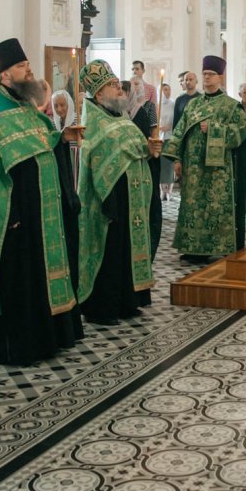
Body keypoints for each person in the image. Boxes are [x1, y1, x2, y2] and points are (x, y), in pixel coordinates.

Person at [0, 38, 82, 366]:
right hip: (17, 218)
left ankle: (53, 336)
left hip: (45, 214)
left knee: (45, 276)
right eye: (23, 67)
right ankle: (22, 346)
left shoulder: (27, 109)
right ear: (5, 76)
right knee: (22, 281)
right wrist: (11, 216)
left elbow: (46, 146)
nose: (30, 70)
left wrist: (62, 139)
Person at [77, 60, 160, 325]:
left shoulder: (119, 117)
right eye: (113, 86)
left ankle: (128, 300)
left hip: (131, 200)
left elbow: (136, 150)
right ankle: (104, 307)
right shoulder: (93, 121)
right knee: (109, 252)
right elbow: (98, 160)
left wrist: (150, 151)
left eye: (118, 85)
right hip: (109, 201)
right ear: (99, 94)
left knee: (126, 250)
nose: (119, 89)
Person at [161, 56, 246, 264]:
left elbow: (239, 134)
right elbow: (180, 131)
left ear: (220, 77)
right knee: (191, 206)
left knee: (215, 207)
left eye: (211, 75)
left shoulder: (231, 106)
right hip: (193, 167)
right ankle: (192, 247)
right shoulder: (193, 105)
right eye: (205, 74)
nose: (207, 78)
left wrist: (215, 130)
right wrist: (177, 159)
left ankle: (217, 246)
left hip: (218, 171)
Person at [123, 80, 163, 257]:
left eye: (124, 93)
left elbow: (152, 134)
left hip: (146, 163)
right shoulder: (119, 115)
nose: (121, 96)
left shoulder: (143, 112)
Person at [157, 83, 176, 202]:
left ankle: (169, 191)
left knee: (169, 165)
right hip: (159, 137)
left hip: (170, 136)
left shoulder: (173, 104)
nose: (167, 92)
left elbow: (177, 119)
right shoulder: (156, 105)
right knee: (160, 165)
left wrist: (169, 126)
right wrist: (160, 127)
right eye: (164, 90)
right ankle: (161, 190)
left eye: (169, 89)